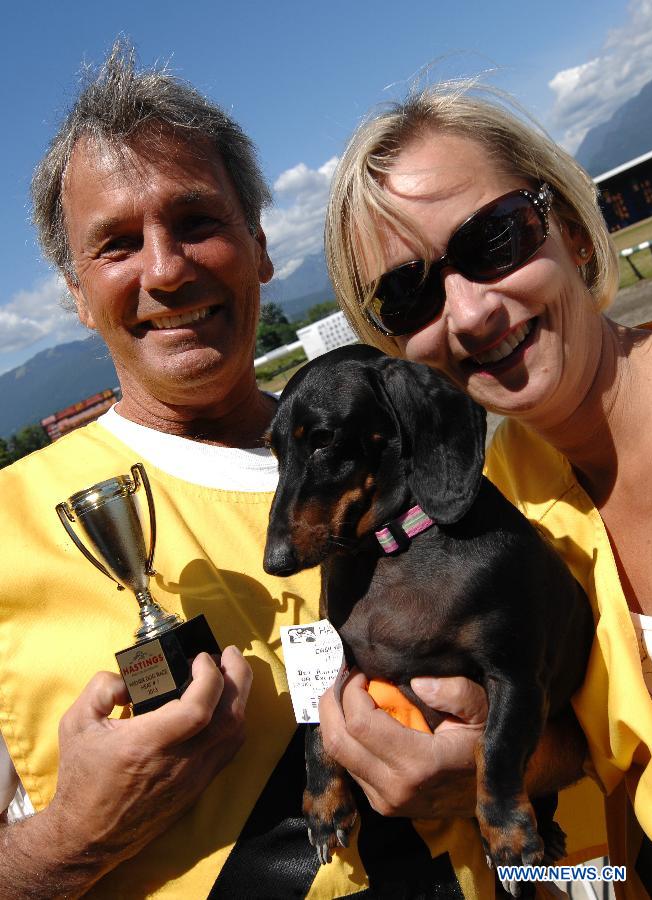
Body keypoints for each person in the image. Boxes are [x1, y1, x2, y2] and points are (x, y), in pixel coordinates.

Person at [0, 43, 527, 900]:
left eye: (198, 221)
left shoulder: (428, 455)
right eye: (117, 245)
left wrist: (517, 763)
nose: (167, 269)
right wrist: (70, 839)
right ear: (74, 291)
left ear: (259, 244)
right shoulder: (8, 529)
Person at [322, 83, 652, 899]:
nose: (467, 313)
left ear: (571, 230)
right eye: (408, 295)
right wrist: (501, 762)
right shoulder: (479, 507)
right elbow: (592, 807)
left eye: (494, 239)